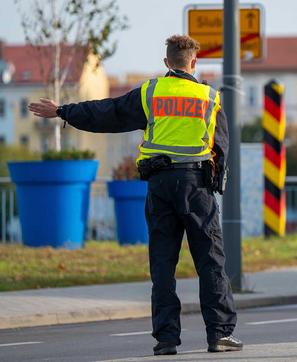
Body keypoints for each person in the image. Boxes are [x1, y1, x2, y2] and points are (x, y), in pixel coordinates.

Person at [28, 35, 243, 356]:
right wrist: (215, 184)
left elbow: (108, 112)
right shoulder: (209, 97)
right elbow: (221, 146)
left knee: (162, 264)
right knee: (211, 261)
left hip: (160, 186)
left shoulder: (151, 92)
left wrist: (63, 111)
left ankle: (166, 339)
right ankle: (220, 335)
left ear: (167, 62)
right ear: (194, 62)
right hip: (196, 186)